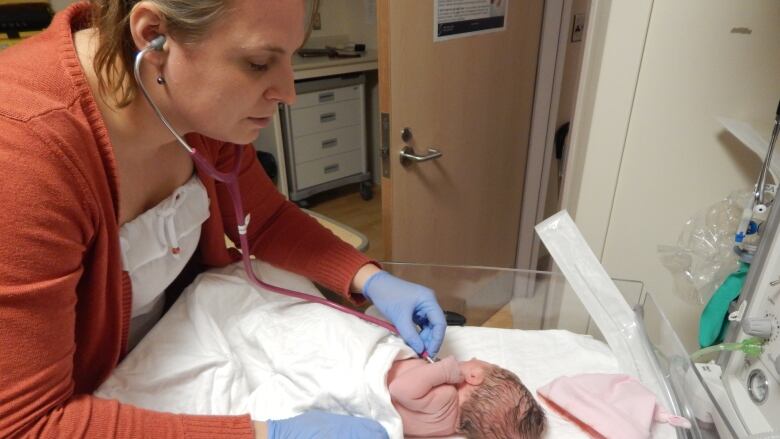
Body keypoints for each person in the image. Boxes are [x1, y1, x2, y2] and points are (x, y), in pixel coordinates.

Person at [0, 0, 447, 438]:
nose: (288, 92)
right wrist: (261, 434)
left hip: (182, 357)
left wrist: (368, 278)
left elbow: (265, 219)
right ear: (152, 35)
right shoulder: (24, 156)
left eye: (289, 57)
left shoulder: (189, 107)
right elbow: (28, 423)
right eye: (257, 63)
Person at [388, 356, 546, 439]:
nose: (473, 357)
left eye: (484, 362)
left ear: (474, 375)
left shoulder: (446, 396)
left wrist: (444, 370)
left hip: (368, 370)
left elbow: (399, 388)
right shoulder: (448, 429)